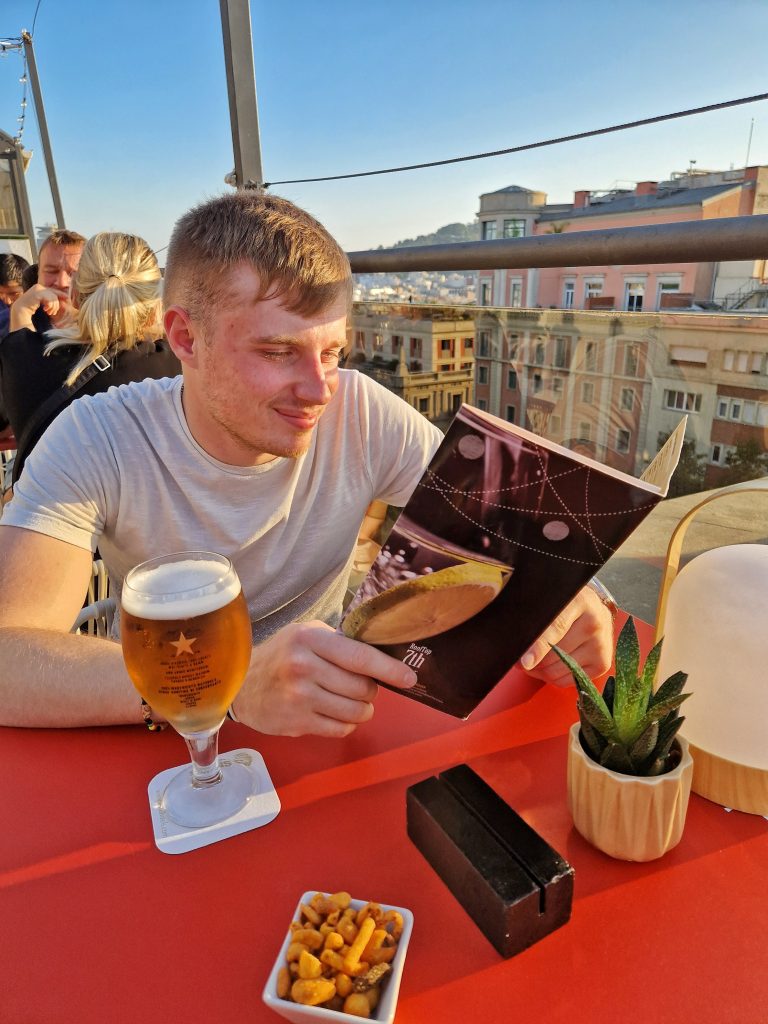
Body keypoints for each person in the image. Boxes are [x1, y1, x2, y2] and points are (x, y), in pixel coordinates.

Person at [0, 192, 613, 734]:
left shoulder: (361, 411)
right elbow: (8, 660)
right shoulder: (98, 435)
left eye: (333, 352)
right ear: (185, 338)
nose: (320, 389)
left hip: (330, 716)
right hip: (159, 722)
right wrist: (229, 683)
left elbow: (517, 531)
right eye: (278, 351)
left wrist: (566, 605)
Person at [0, 231, 180, 481]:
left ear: (75, 295)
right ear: (153, 304)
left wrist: (20, 309)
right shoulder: (177, 368)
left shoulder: (25, 357)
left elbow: (18, 347)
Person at [10, 228, 86, 334]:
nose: (62, 283)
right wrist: (20, 313)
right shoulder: (8, 323)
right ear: (38, 274)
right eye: (51, 271)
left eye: (73, 274)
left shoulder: (104, 323)